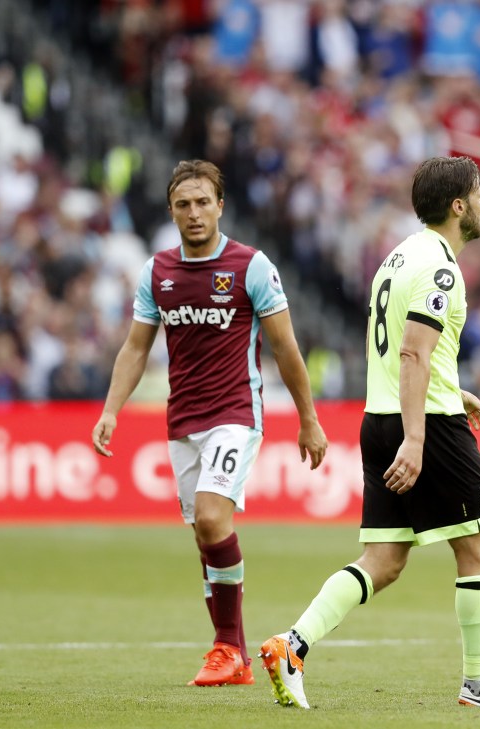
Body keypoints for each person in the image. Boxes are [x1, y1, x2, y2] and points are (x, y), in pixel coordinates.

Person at [258, 157, 480, 710]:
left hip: (380, 417)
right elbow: (413, 349)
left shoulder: (396, 258)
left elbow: (397, 350)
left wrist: (448, 390)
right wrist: (418, 437)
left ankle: (291, 646)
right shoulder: (441, 268)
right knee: (479, 545)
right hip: (427, 429)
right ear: (458, 206)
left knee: (384, 560)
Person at [91, 159, 328, 687]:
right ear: (171, 211)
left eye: (203, 202)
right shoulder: (158, 273)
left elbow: (287, 347)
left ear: (221, 205)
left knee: (213, 517)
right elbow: (135, 348)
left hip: (235, 414)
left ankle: (225, 647)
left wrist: (308, 419)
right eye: (183, 205)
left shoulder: (251, 267)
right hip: (182, 421)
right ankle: (236, 656)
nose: (194, 213)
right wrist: (111, 409)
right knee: (204, 531)